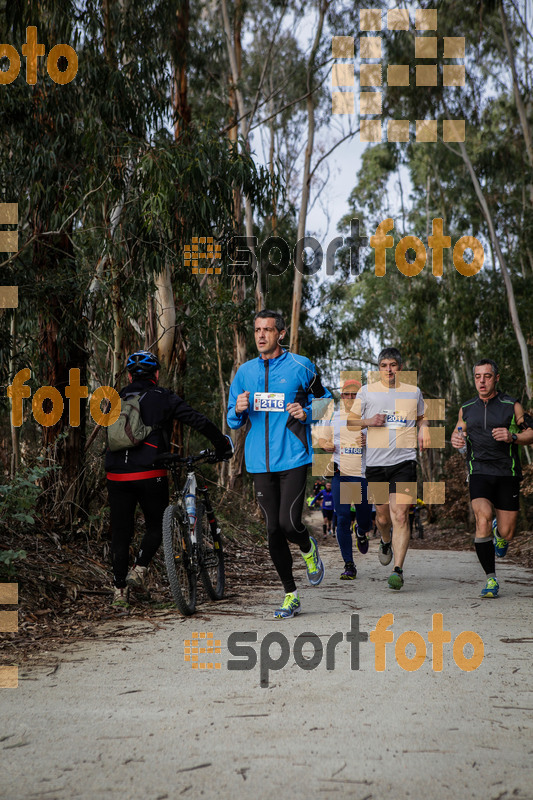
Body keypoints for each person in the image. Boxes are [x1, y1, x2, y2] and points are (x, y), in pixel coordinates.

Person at [106, 350, 233, 608]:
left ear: (129, 376)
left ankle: (119, 592)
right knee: (156, 525)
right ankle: (139, 570)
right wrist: (221, 445)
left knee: (120, 533)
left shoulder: (115, 398)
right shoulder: (163, 396)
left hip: (116, 474)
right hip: (150, 472)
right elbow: (197, 420)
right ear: (157, 374)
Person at [227, 310, 332, 619]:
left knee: (288, 524)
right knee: (273, 529)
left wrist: (307, 412)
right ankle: (290, 594)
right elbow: (232, 418)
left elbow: (326, 400)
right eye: (257, 329)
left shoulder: (302, 366)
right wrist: (238, 407)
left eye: (267, 330)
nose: (261, 335)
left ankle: (307, 547)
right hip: (259, 462)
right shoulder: (245, 373)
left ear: (281, 334)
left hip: (293, 456)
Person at [451, 359, 533, 598]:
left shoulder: (511, 405)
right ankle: (491, 578)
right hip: (479, 471)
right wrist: (457, 441)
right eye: (478, 377)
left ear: (496, 378)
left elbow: (530, 432)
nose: (482, 381)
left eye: (487, 376)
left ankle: (499, 534)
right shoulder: (466, 408)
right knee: (483, 517)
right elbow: (459, 432)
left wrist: (512, 437)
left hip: (507, 472)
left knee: (507, 533)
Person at [353, 348, 427, 590]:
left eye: (393, 365)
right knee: (383, 518)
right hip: (375, 465)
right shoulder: (366, 392)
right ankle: (385, 540)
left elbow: (422, 416)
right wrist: (368, 422)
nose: (389, 370)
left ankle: (398, 569)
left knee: (401, 515)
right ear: (378, 368)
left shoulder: (413, 392)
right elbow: (351, 421)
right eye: (384, 365)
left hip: (404, 462)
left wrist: (424, 428)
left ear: (400, 367)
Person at [315, 378, 373, 580]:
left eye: (354, 394)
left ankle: (361, 530)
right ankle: (349, 564)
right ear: (342, 396)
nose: (349, 398)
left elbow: (386, 442)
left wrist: (370, 440)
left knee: (365, 519)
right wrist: (325, 445)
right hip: (341, 475)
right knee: (341, 518)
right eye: (346, 394)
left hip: (362, 476)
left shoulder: (368, 417)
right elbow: (321, 438)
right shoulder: (333, 416)